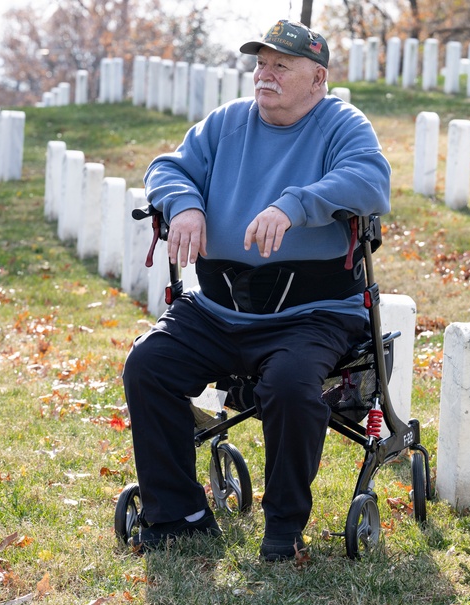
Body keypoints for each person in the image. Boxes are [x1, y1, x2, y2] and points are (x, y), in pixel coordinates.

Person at [121, 19, 391, 561]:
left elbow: (370, 181)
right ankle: (180, 516)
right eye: (261, 64)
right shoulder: (226, 124)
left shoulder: (342, 124)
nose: (264, 76)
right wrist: (185, 204)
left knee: (292, 386)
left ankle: (283, 526)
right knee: (148, 365)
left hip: (312, 312)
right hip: (220, 308)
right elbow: (168, 168)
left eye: (280, 67)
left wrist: (294, 205)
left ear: (317, 79)